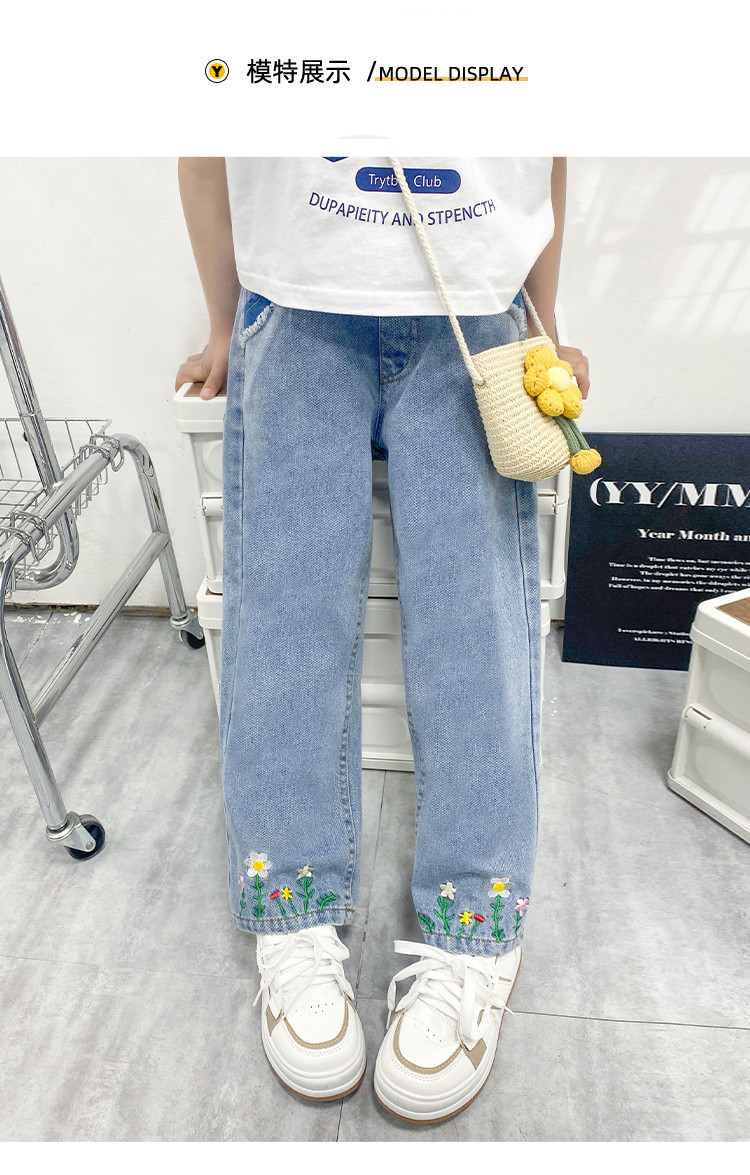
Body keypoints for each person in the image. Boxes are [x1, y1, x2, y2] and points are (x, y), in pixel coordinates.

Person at [175, 157, 589, 1125]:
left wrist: (545, 323)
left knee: (478, 633)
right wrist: (225, 324)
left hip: (475, 308)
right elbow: (206, 131)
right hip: (295, 303)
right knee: (284, 621)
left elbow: (546, 138)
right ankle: (291, 908)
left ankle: (477, 927)